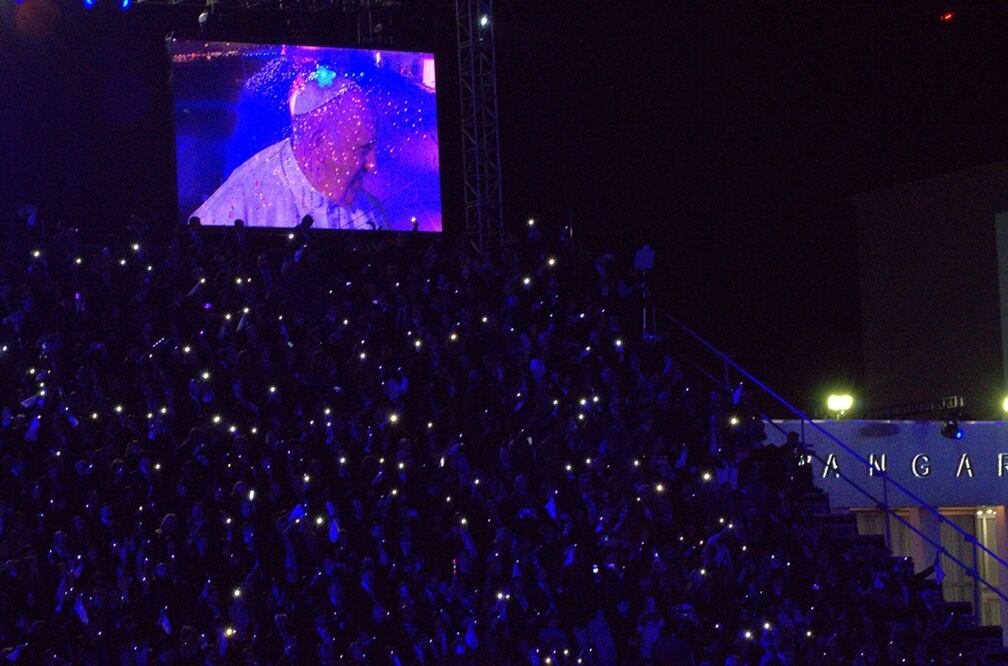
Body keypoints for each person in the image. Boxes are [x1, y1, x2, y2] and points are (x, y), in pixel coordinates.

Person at [192, 64, 386, 230]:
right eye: (363, 149)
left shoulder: (371, 212)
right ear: (317, 143)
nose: (372, 165)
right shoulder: (233, 212)